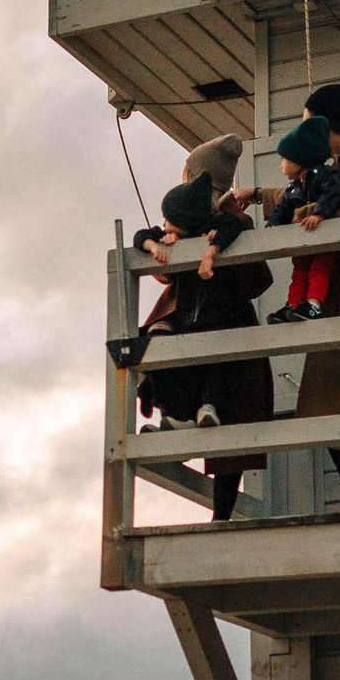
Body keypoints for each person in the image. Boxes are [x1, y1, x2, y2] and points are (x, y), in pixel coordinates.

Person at [225, 83, 340, 511]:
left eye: (309, 123)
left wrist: (303, 216)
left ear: (324, 123)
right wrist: (257, 196)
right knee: (331, 400)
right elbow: (307, 193)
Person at [130, 165, 272, 521]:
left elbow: (249, 270)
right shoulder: (192, 226)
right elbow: (146, 238)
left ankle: (221, 516)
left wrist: (207, 251)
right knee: (159, 346)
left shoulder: (229, 223)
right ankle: (175, 418)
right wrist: (158, 245)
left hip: (223, 325)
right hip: (192, 321)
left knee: (231, 423)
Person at [262, 116, 340, 323]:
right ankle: (293, 306)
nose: (281, 166)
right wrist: (271, 228)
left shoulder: (324, 175)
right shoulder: (293, 188)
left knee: (320, 269)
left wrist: (319, 213)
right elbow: (281, 210)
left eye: (284, 159)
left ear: (299, 159)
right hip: (304, 243)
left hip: (323, 240)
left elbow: (335, 192)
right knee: (299, 272)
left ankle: (313, 304)